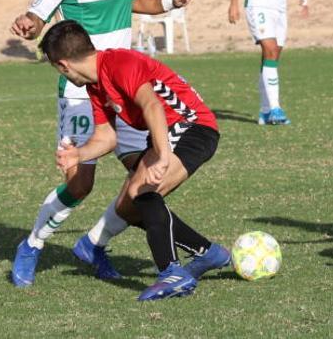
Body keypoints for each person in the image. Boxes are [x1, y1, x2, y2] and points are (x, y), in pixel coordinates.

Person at [9, 0, 201, 288]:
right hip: (82, 91)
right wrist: (29, 23)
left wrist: (172, 0)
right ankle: (32, 244)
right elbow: (38, 14)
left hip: (123, 90)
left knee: (145, 182)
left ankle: (95, 244)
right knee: (81, 183)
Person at [41, 20, 228, 301]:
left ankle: (172, 273)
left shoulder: (119, 63)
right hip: (168, 132)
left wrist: (162, 156)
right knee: (127, 208)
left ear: (63, 64)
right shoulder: (95, 86)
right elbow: (106, 137)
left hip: (191, 125)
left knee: (142, 190)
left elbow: (152, 104)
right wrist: (78, 155)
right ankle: (208, 253)